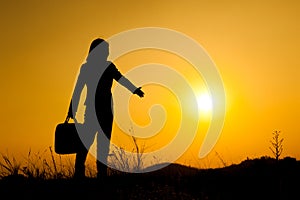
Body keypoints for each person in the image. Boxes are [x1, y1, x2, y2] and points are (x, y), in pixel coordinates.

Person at [67, 38, 144, 179]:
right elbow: (78, 89)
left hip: (101, 111)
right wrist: (71, 109)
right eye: (105, 50)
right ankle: (88, 175)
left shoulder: (96, 67)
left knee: (95, 144)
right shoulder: (93, 67)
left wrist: (134, 90)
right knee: (92, 143)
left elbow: (120, 79)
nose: (108, 53)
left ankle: (91, 175)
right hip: (96, 111)